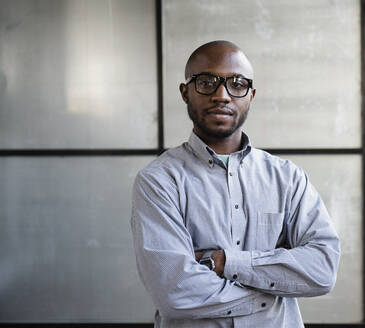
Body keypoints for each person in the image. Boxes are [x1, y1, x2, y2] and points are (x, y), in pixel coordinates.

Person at [131, 40, 340, 328]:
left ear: (251, 95)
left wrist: (222, 262)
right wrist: (271, 292)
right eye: (206, 82)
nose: (222, 95)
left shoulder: (288, 178)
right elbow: (175, 291)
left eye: (237, 84)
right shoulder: (158, 181)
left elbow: (322, 269)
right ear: (185, 92)